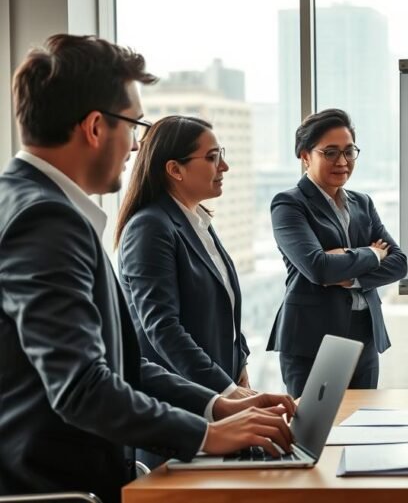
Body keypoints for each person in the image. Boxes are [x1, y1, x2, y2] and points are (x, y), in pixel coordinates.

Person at [0, 34, 296, 502]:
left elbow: (122, 363)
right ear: (96, 127)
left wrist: (215, 405)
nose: (137, 145)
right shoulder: (46, 220)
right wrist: (207, 435)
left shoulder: (34, 205)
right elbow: (82, 387)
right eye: (133, 125)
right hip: (59, 488)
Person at [115, 116, 255, 468]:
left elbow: (224, 307)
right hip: (178, 413)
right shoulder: (150, 227)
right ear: (175, 169)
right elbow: (162, 327)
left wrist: (240, 366)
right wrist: (226, 391)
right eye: (211, 157)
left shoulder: (199, 222)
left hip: (217, 401)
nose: (224, 165)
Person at [268, 109, 407, 395]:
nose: (342, 161)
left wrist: (353, 275)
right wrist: (371, 253)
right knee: (315, 433)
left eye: (348, 151)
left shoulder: (362, 203)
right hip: (313, 339)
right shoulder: (289, 204)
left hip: (365, 335)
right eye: (330, 152)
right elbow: (318, 267)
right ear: (305, 156)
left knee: (363, 424)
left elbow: (400, 263)